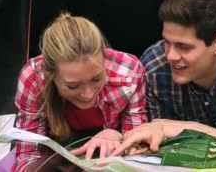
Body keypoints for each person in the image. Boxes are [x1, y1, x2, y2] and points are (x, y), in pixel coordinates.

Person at [113, 0, 216, 155]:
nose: (171, 56)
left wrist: (188, 128)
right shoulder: (153, 70)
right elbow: (154, 147)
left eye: (184, 47)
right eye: (167, 42)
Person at [12, 12, 147, 172]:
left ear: (104, 57)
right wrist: (48, 163)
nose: (88, 94)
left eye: (96, 79)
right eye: (73, 86)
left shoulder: (129, 72)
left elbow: (138, 150)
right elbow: (27, 154)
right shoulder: (32, 78)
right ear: (49, 75)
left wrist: (116, 136)